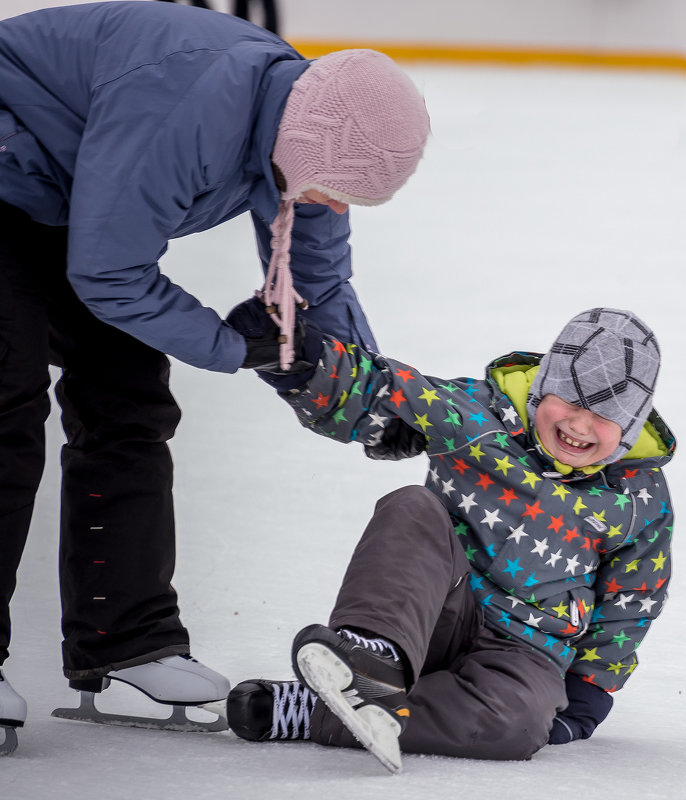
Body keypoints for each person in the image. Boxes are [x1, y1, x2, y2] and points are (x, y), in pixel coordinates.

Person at [0, 0, 428, 754]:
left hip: (70, 193)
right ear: (310, 146)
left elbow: (317, 286)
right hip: (10, 169)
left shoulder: (307, 132)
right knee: (8, 398)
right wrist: (233, 348)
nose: (331, 207)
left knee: (128, 399)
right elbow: (108, 274)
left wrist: (371, 398)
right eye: (332, 192)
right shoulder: (189, 110)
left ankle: (125, 642)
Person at [222, 305, 675, 771]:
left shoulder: (638, 498)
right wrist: (303, 362)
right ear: (541, 387)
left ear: (631, 427)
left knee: (516, 725)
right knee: (412, 507)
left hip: (526, 650)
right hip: (431, 613)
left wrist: (590, 688)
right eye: (570, 400)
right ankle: (374, 659)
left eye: (603, 415)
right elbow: (383, 395)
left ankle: (313, 711)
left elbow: (635, 596)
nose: (579, 425)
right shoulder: (476, 414)